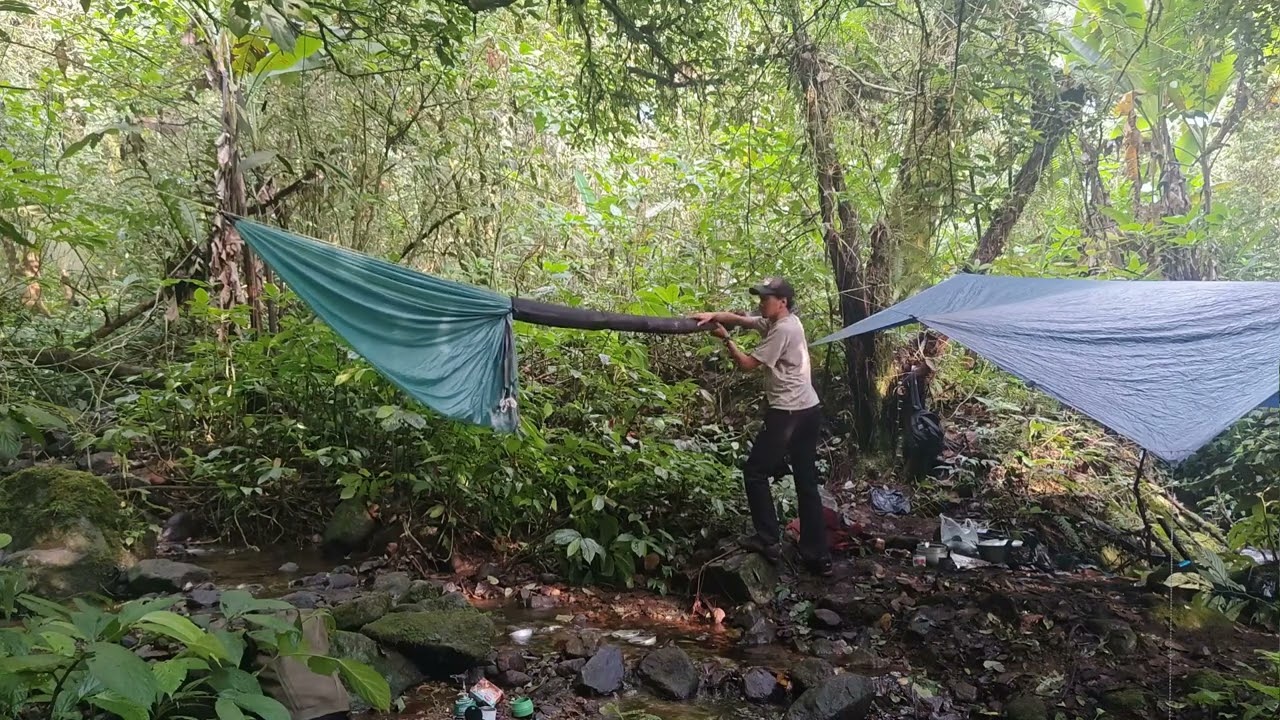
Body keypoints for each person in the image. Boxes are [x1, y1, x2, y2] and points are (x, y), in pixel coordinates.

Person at [692, 277, 832, 576]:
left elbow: (746, 365)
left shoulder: (783, 329)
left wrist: (725, 338)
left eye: (766, 298)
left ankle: (768, 539)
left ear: (782, 302)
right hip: (809, 408)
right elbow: (743, 320)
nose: (761, 302)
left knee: (755, 471)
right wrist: (714, 316)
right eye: (761, 297)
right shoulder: (782, 321)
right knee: (806, 482)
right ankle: (817, 556)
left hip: (789, 413)